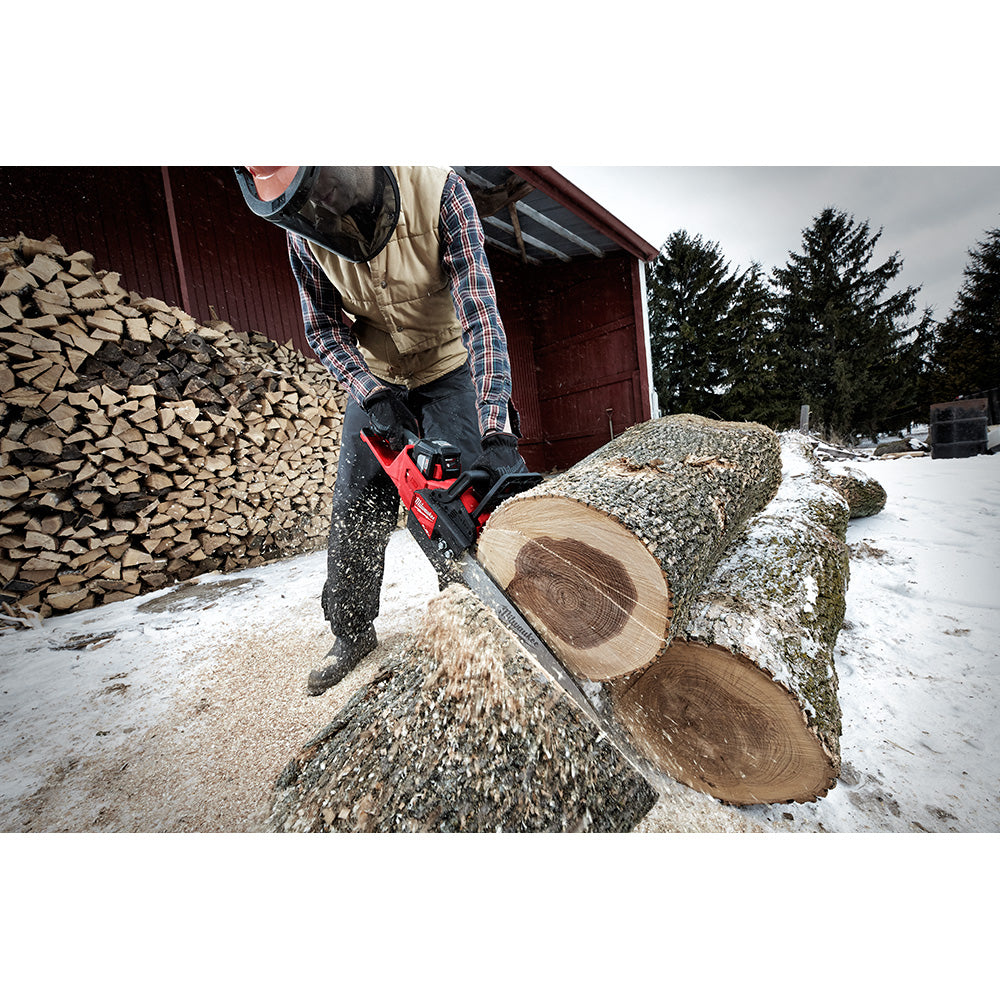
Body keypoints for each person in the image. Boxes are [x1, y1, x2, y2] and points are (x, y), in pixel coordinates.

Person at [235, 166, 528, 694]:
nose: (322, 202)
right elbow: (323, 329)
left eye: (325, 186)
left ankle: (481, 621)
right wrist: (370, 392)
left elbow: (482, 317)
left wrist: (496, 429)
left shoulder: (439, 191)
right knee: (355, 507)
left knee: (461, 503)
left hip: (449, 364)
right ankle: (350, 631)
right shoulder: (303, 232)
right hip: (378, 375)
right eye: (307, 199)